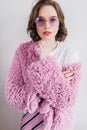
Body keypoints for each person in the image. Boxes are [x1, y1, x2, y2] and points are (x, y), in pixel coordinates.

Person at [5, 0, 81, 130]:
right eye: (41, 20)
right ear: (34, 24)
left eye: (53, 20)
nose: (47, 25)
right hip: (30, 123)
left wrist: (45, 60)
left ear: (59, 23)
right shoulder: (23, 52)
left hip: (58, 125)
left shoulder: (70, 54)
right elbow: (12, 94)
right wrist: (57, 80)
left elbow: (66, 99)